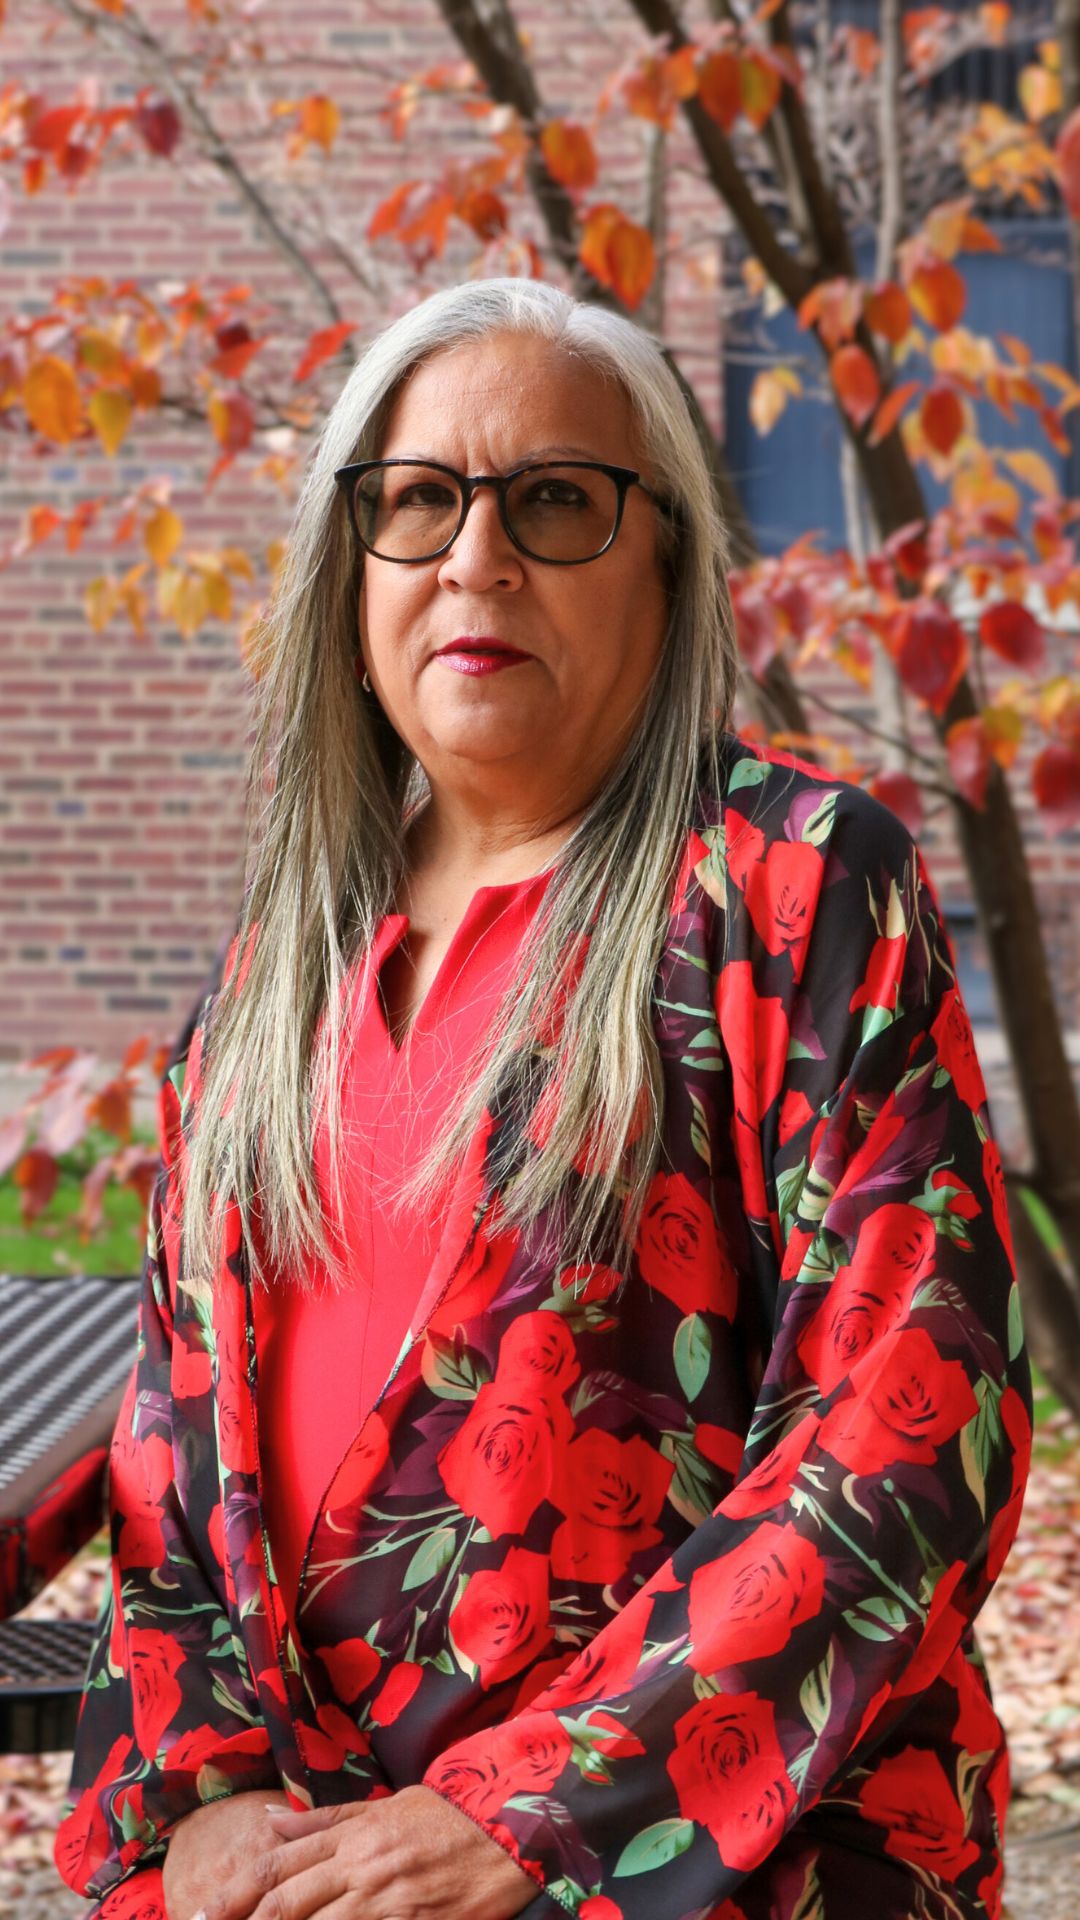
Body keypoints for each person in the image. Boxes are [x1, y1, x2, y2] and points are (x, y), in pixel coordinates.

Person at [55, 278, 1032, 1920]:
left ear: (666, 572)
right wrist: (207, 1792)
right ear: (346, 571)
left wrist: (538, 1816)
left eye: (556, 502)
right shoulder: (274, 968)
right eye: (419, 500)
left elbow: (911, 1419)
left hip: (702, 1856)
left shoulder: (783, 884)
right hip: (307, 1870)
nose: (475, 559)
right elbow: (172, 1459)